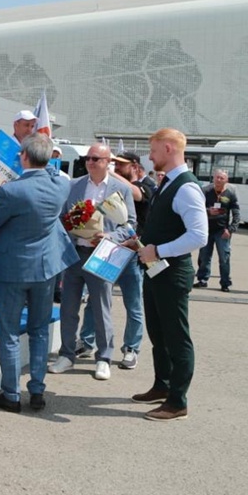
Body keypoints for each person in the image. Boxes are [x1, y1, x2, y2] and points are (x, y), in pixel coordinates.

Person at [0, 134, 78, 413]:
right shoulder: (60, 185)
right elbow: (54, 174)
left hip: (13, 269)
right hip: (45, 268)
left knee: (9, 331)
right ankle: (37, 390)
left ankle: (11, 394)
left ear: (23, 156)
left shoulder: (11, 191)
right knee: (39, 330)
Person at [131, 128, 208, 422]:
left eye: (153, 151)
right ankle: (162, 386)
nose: (150, 157)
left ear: (167, 149)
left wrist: (159, 250)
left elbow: (199, 236)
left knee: (176, 337)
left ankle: (177, 402)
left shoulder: (186, 187)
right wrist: (141, 243)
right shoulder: (169, 183)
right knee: (158, 333)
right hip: (155, 271)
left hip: (171, 273)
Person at [48, 143, 135, 381]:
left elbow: (130, 224)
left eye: (96, 158)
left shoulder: (120, 189)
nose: (90, 162)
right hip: (74, 254)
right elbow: (62, 217)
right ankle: (66, 355)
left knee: (101, 308)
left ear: (108, 162)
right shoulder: (74, 185)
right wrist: (71, 226)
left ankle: (104, 357)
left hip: (102, 255)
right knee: (68, 307)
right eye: (88, 158)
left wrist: (109, 236)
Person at [109, 151, 155, 370]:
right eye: (115, 165)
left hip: (133, 254)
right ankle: (87, 341)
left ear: (135, 166)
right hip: (112, 249)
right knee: (97, 300)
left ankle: (131, 348)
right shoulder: (115, 185)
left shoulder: (146, 186)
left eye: (121, 165)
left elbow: (136, 194)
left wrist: (109, 173)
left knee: (133, 305)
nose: (116, 168)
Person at [194, 169, 239, 291]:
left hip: (222, 231)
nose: (218, 180)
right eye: (217, 177)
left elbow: (236, 214)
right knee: (204, 256)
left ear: (226, 180)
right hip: (207, 230)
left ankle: (225, 283)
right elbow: (197, 208)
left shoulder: (230, 194)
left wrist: (230, 229)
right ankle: (202, 279)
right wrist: (208, 211)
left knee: (224, 258)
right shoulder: (206, 191)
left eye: (221, 178)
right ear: (213, 178)